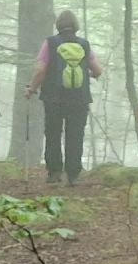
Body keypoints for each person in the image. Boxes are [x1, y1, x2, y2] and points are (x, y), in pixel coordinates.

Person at [26, 10, 101, 185]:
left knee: (52, 133)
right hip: (80, 98)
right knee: (75, 134)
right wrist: (85, 73)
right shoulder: (84, 44)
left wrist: (32, 89)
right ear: (75, 25)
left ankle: (54, 173)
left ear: (58, 25)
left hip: (53, 97)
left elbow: (40, 70)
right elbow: (98, 70)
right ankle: (73, 175)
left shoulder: (50, 43)